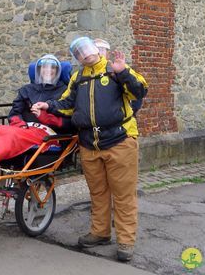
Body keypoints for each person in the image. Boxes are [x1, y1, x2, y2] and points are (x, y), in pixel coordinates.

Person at [32, 37, 148, 263]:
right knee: (98, 193)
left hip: (119, 140)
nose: (84, 54)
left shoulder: (114, 70)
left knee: (123, 195)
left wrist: (123, 72)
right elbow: (67, 103)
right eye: (78, 52)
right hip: (89, 144)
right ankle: (100, 232)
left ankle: (125, 240)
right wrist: (49, 105)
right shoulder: (78, 77)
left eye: (86, 49)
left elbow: (140, 90)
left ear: (95, 49)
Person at [0, 54, 73, 174]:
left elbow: (69, 120)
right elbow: (15, 112)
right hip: (25, 129)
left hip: (48, 135)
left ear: (58, 71)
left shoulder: (64, 92)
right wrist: (20, 124)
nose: (48, 70)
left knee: (13, 135)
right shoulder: (27, 90)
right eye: (44, 67)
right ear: (38, 70)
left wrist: (44, 117)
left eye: (52, 68)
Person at [94, 38, 145, 115]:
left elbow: (138, 93)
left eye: (101, 50)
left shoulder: (121, 69)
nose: (99, 53)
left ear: (108, 53)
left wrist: (127, 115)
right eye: (95, 50)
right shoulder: (84, 73)